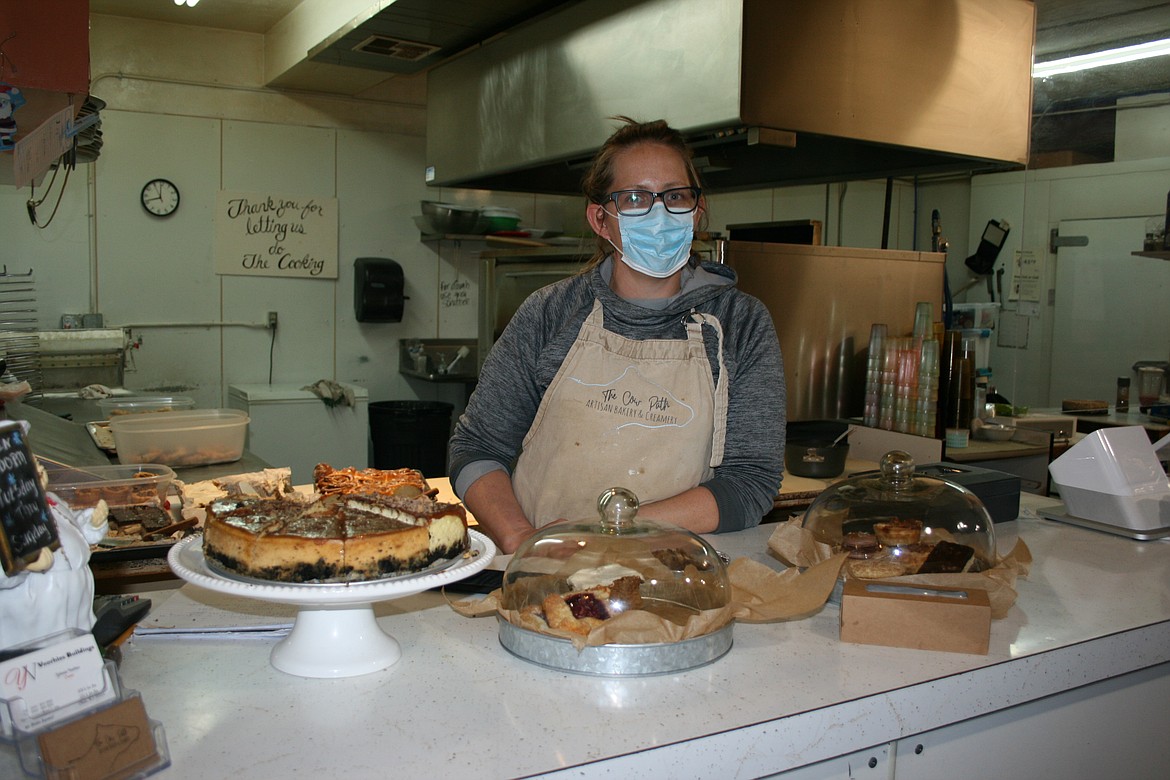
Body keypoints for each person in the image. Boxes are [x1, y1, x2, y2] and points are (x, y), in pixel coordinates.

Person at [448, 117, 785, 553]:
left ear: (696, 212)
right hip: (543, 572)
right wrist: (520, 540)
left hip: (672, 576)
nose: (659, 212)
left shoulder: (741, 323)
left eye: (675, 196)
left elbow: (750, 481)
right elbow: (476, 446)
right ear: (600, 220)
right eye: (634, 198)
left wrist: (613, 530)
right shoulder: (550, 313)